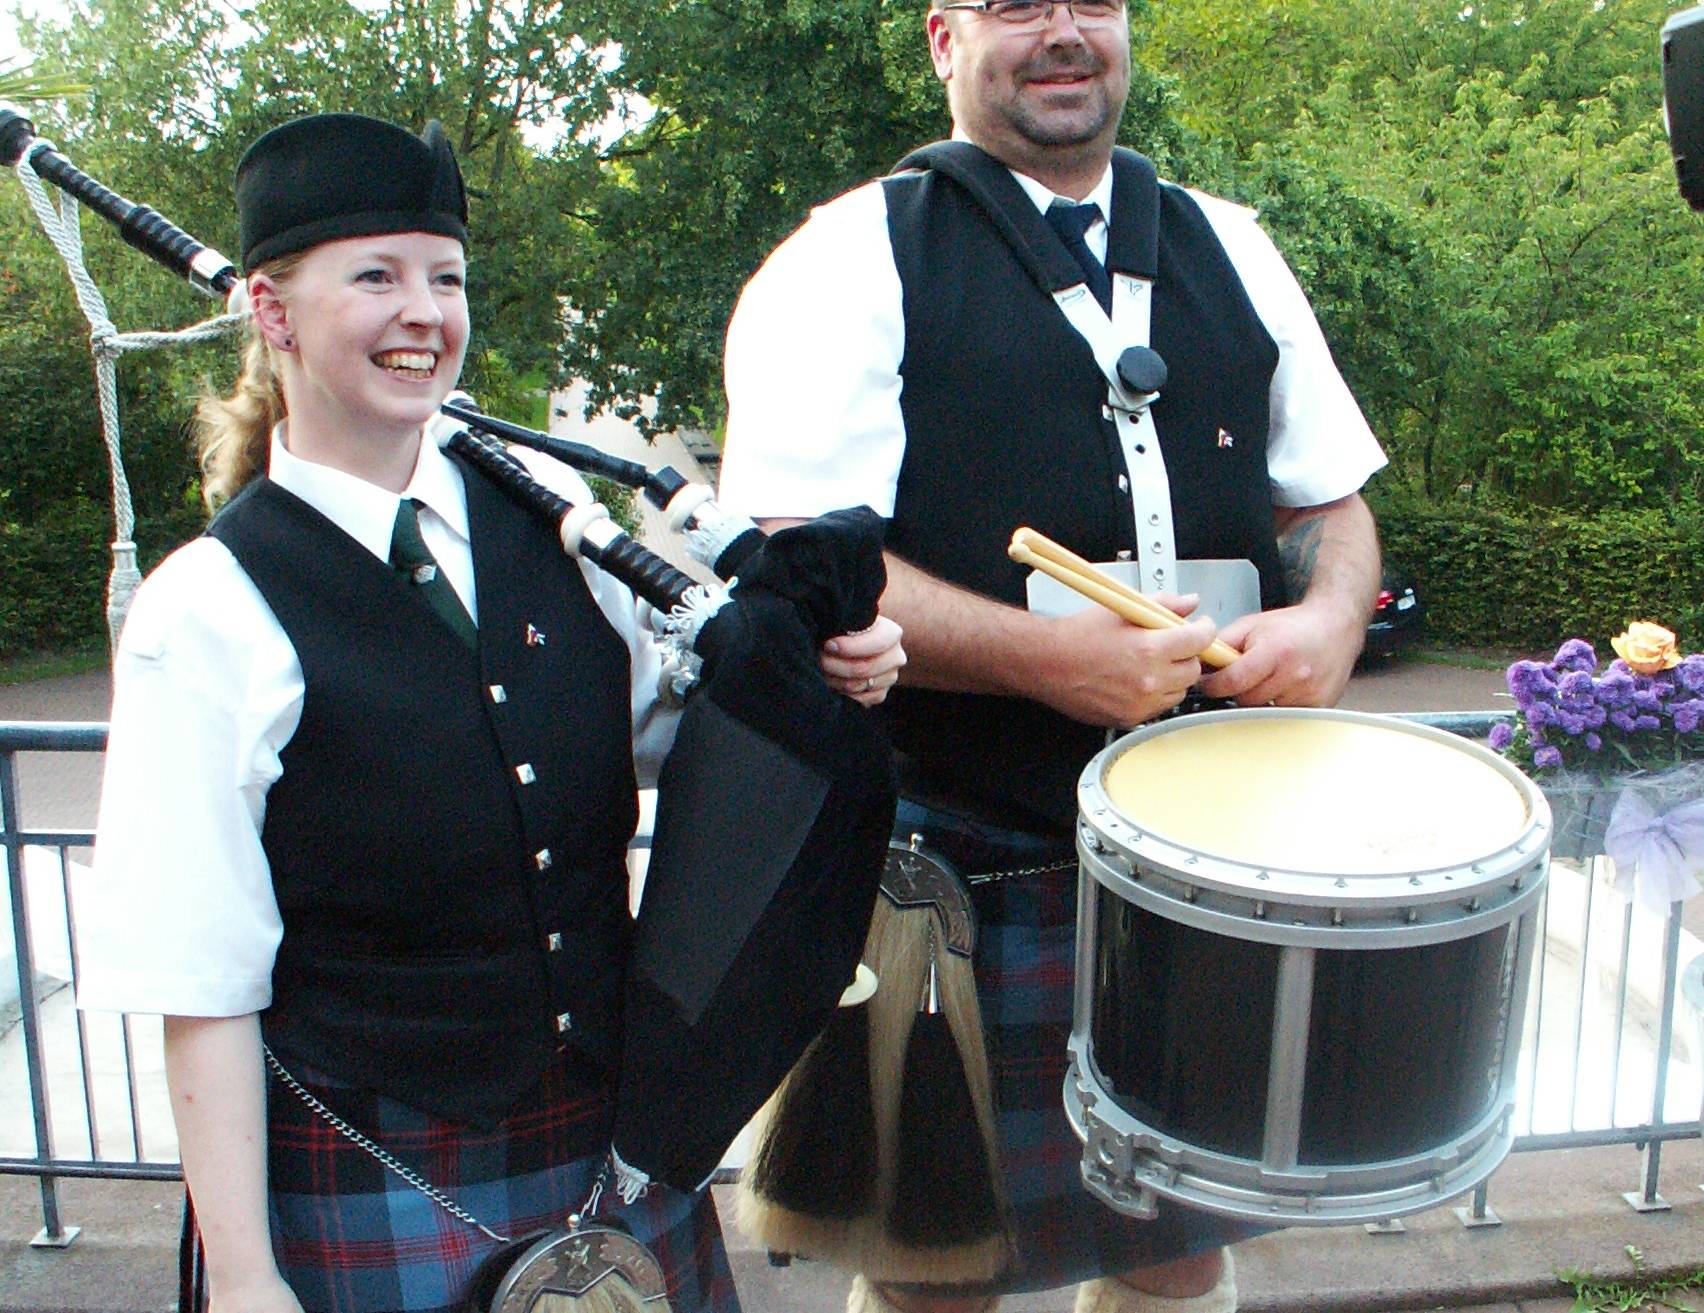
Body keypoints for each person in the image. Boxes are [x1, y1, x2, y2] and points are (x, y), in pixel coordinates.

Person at [75, 112, 902, 1313]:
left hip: (610, 1138)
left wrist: (808, 676)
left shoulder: (553, 523)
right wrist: (247, 1273)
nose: (425, 311)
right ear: (271, 311)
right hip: (369, 1152)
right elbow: (200, 976)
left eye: (446, 276)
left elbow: (659, 736)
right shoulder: (205, 609)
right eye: (376, 275)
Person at [717, 3, 1387, 1313]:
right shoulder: (849, 257)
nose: (1063, 32)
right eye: (1019, 6)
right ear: (942, 39)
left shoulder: (1233, 246)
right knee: (936, 1268)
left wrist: (1333, 621)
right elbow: (802, 565)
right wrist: (1043, 662)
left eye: (1092, 2)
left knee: (1180, 1250)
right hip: (958, 851)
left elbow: (1334, 507)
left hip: (1207, 867)